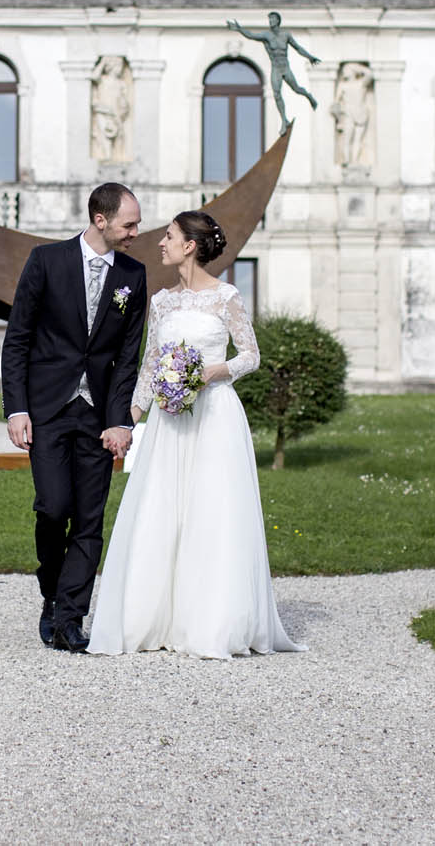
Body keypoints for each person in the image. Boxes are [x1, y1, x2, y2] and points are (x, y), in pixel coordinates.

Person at [87, 210, 306, 659]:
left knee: (212, 512)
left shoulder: (226, 297)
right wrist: (129, 418)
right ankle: (154, 620)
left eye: (168, 236)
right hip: (169, 421)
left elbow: (250, 356)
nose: (160, 243)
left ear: (189, 245)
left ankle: (211, 623)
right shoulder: (162, 302)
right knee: (161, 510)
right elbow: (150, 364)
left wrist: (209, 373)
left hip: (214, 416)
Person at [2, 183, 147, 652]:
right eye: (129, 224)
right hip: (47, 409)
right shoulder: (46, 261)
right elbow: (18, 339)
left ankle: (70, 617)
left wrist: (121, 420)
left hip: (100, 415)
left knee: (89, 518)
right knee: (53, 508)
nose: (136, 232)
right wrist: (17, 408)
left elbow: (128, 357)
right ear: (100, 220)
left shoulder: (133, 275)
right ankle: (51, 593)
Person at [227, 12, 319, 132]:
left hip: (285, 68)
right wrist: (239, 29)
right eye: (269, 19)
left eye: (272, 19)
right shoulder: (266, 35)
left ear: (278, 21)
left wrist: (310, 57)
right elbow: (251, 35)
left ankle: (309, 96)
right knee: (276, 94)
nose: (270, 21)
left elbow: (298, 48)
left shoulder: (286, 35)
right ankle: (284, 120)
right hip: (276, 68)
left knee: (296, 89)